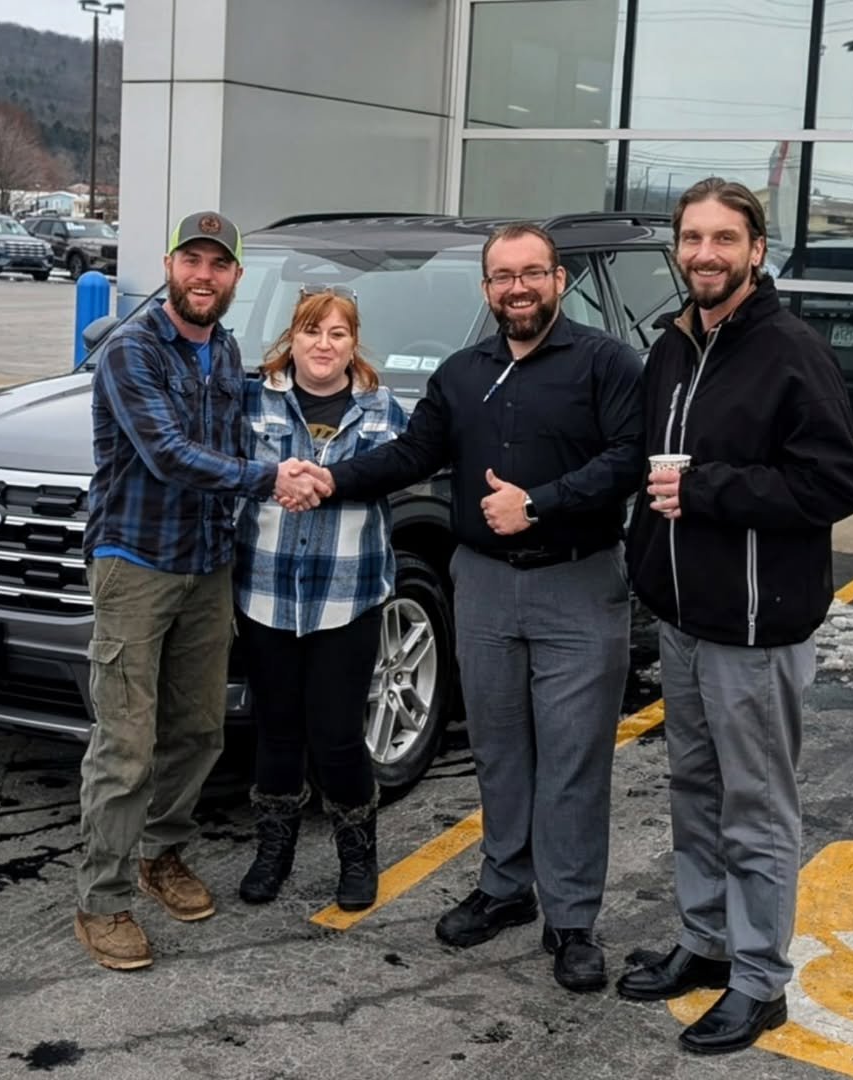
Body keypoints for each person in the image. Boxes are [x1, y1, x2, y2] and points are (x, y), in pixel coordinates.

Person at [287, 224, 644, 991]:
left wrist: (540, 504)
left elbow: (628, 460)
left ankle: (573, 920)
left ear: (558, 281)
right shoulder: (459, 374)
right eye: (502, 276)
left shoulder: (606, 364)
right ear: (487, 290)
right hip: (480, 584)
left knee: (575, 760)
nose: (517, 288)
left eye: (532, 274)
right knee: (499, 748)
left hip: (578, 585)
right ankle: (506, 887)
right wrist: (330, 479)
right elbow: (413, 456)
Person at [620, 178, 853, 1052]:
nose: (705, 254)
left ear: (757, 251)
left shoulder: (791, 351)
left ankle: (760, 981)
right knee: (694, 791)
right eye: (692, 238)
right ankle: (707, 941)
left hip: (756, 634)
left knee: (756, 809)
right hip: (685, 622)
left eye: (725, 239)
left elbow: (837, 484)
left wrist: (707, 489)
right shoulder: (676, 345)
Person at [75, 211, 324, 971]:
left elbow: (239, 441)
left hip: (206, 565)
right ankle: (103, 899)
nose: (204, 276)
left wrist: (312, 450)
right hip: (135, 565)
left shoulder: (226, 352)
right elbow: (169, 455)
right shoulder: (131, 351)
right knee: (125, 747)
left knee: (198, 731)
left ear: (235, 278)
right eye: (192, 261)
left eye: (219, 265)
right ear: (169, 265)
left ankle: (162, 855)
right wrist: (271, 479)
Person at [232, 287, 408, 911]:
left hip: (348, 595)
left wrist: (321, 487)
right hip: (267, 593)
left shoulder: (385, 410)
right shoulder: (254, 400)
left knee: (336, 735)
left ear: (354, 343)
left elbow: (393, 472)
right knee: (276, 732)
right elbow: (232, 474)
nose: (324, 345)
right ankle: (272, 850)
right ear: (292, 338)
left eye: (337, 334)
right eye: (312, 331)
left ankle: (357, 855)